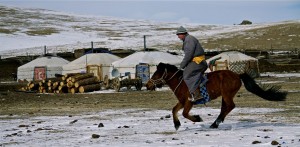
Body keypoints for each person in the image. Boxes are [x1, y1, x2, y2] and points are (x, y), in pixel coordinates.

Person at [176, 26, 208, 102]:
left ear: (183, 34)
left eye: (178, 35)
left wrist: (182, 65)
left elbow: (189, 54)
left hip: (198, 62)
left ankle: (197, 94)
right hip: (196, 61)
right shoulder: (188, 39)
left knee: (186, 75)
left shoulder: (189, 39)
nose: (178, 37)